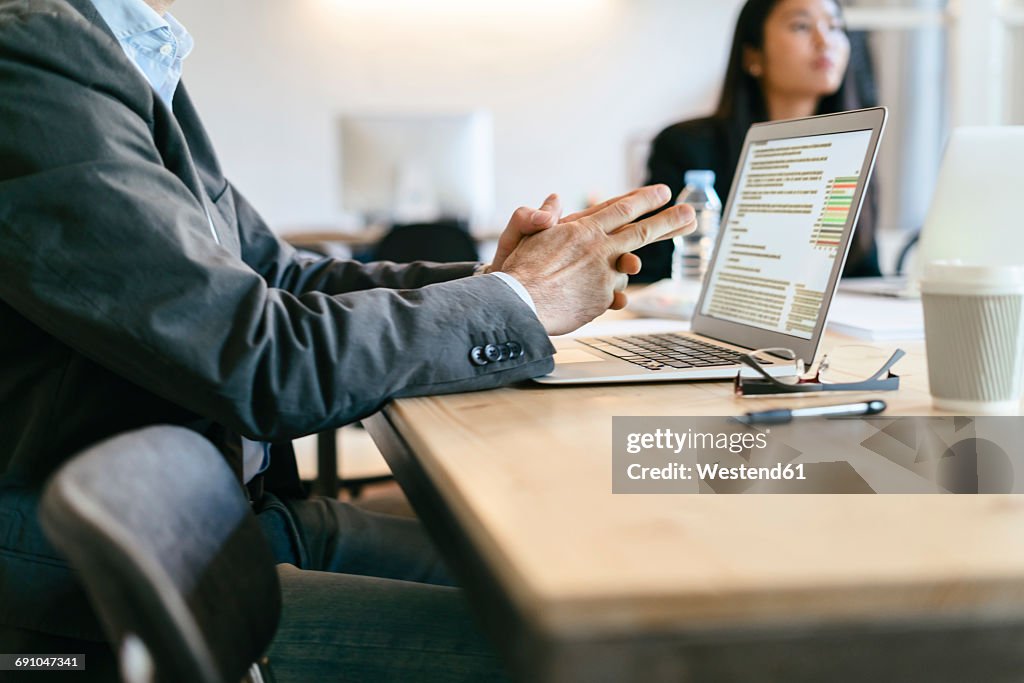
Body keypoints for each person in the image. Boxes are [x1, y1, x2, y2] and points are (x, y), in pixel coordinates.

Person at [0, 0, 695, 679]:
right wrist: (515, 300)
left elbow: (280, 275)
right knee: (622, 649)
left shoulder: (121, 46)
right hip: (117, 576)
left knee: (570, 577)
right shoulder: (31, 54)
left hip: (223, 523)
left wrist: (500, 280)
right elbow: (259, 359)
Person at [634, 0, 881, 282]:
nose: (825, 40)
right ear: (753, 54)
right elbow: (650, 271)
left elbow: (865, 273)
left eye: (835, 26)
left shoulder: (850, 150)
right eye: (801, 25)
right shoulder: (686, 145)